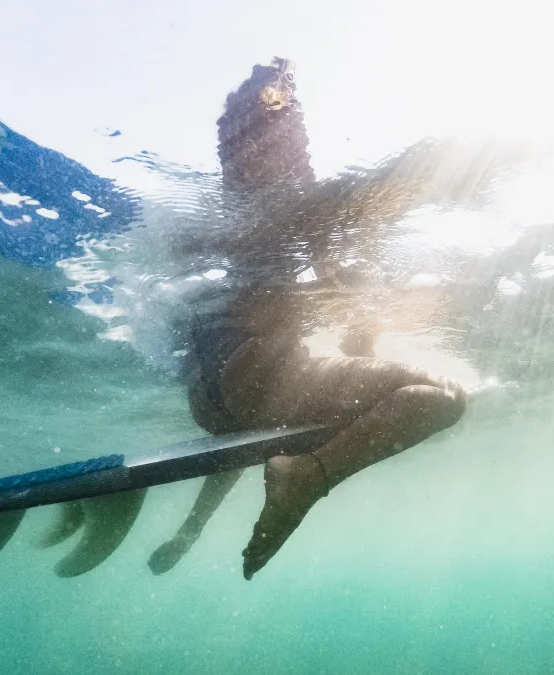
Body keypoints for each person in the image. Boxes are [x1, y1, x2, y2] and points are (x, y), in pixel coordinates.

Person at [147, 58, 469, 580]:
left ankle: (195, 528)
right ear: (266, 142)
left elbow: (244, 427)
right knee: (443, 397)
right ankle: (307, 479)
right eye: (291, 129)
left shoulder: (210, 212)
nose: (303, 145)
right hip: (254, 377)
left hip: (212, 401)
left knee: (275, 428)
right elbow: (326, 320)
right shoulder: (307, 208)